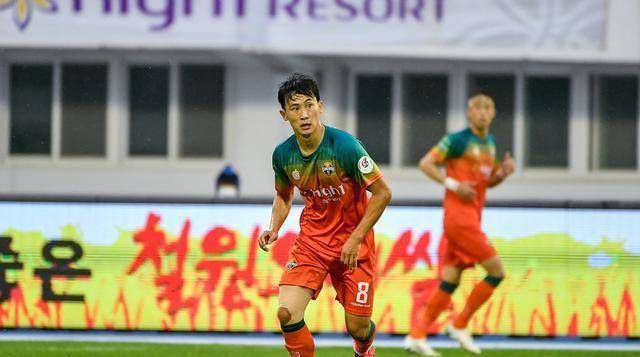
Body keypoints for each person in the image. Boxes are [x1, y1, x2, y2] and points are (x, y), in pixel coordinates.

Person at [259, 73, 392, 357]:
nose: (304, 114)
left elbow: (382, 193)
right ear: (284, 115)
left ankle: (364, 349)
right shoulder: (283, 155)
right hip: (312, 243)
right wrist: (274, 227)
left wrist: (356, 239)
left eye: (309, 105)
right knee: (286, 313)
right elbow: (284, 195)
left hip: (353, 247)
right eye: (295, 109)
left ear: (321, 106)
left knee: (358, 327)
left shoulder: (345, 147)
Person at [404, 94, 515, 356]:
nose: (483, 113)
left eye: (487, 108)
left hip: (471, 217)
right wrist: (453, 185)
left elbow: (485, 184)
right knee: (497, 272)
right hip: (459, 218)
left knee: (451, 280)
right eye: (477, 108)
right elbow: (425, 163)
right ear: (468, 113)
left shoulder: (490, 144)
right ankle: (461, 323)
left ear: (494, 112)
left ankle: (416, 335)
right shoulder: (456, 140)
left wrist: (502, 174)